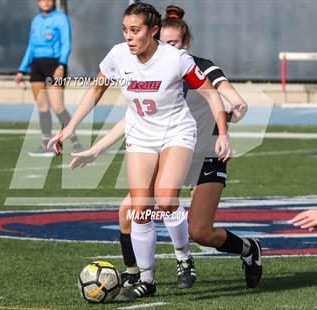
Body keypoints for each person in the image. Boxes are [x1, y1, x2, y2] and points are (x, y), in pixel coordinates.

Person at [69, 5, 262, 292]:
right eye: (126, 31)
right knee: (132, 210)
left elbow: (226, 96)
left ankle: (246, 249)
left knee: (200, 231)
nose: (167, 47)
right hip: (163, 147)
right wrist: (95, 148)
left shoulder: (192, 63)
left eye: (174, 43)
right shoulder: (132, 59)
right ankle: (138, 275)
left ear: (184, 43)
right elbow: (132, 117)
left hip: (204, 153)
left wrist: (234, 112)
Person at [14, 0, 82, 156]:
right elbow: (31, 47)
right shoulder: (36, 20)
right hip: (36, 66)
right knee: (42, 107)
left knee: (58, 107)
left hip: (54, 65)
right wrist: (21, 70)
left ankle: (76, 143)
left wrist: (62, 65)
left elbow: (66, 43)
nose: (45, 2)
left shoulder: (61, 18)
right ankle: (47, 145)